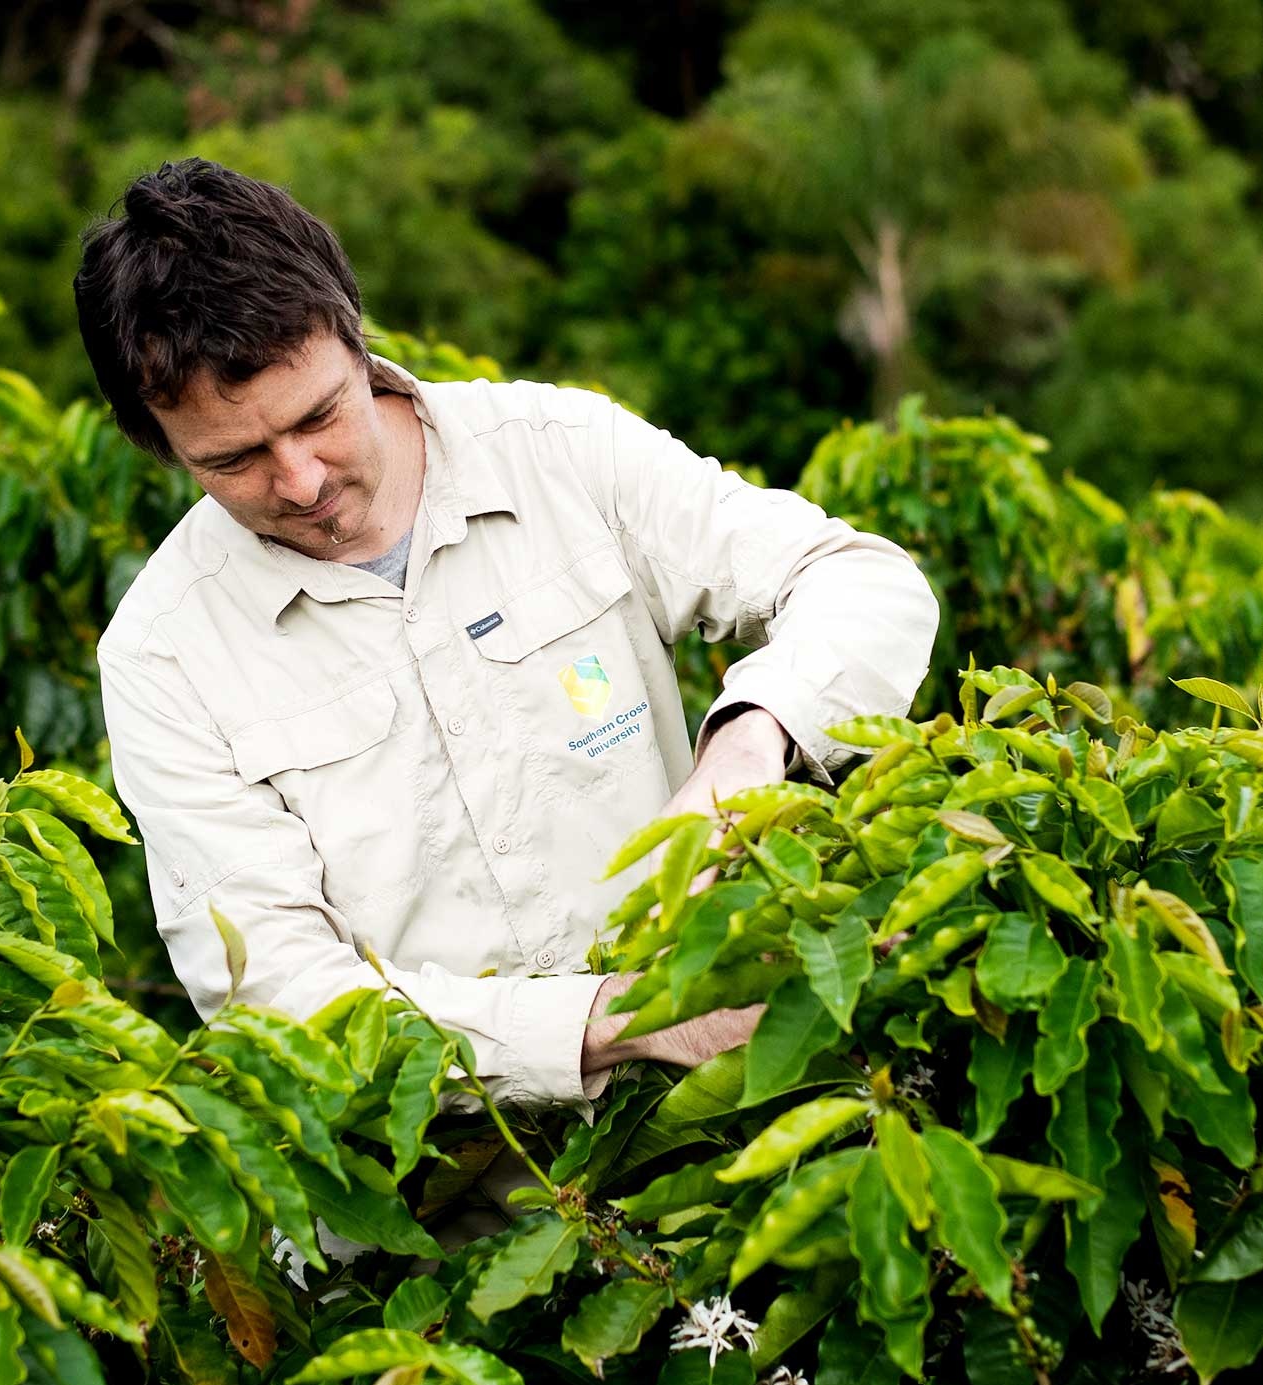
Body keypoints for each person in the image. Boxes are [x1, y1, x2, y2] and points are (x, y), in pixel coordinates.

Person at [76, 159, 939, 1122]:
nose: (303, 481)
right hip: (435, 1221)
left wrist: (752, 737)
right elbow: (275, 1001)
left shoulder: (558, 449)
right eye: (235, 461)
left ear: (355, 338)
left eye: (319, 417)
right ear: (158, 446)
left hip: (709, 1152)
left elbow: (861, 581)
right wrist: (622, 1022)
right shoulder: (164, 655)